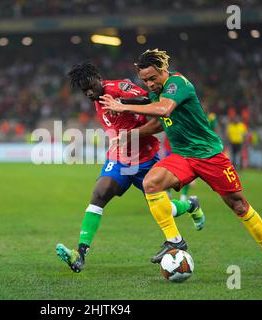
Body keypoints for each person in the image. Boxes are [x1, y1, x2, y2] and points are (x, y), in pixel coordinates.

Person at [99, 49, 262, 277]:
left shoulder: (178, 84)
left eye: (152, 78)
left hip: (208, 155)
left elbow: (164, 109)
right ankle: (174, 241)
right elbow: (160, 124)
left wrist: (124, 106)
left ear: (164, 71)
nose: (149, 84)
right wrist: (130, 135)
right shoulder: (157, 93)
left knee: (238, 205)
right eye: (144, 80)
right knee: (151, 183)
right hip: (183, 156)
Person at [56, 62, 205, 273]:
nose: (90, 92)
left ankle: (190, 205)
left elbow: (151, 100)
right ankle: (80, 254)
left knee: (164, 209)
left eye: (91, 86)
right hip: (119, 160)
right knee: (99, 194)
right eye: (85, 90)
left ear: (99, 78)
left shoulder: (119, 88)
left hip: (146, 160)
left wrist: (123, 103)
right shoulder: (98, 98)